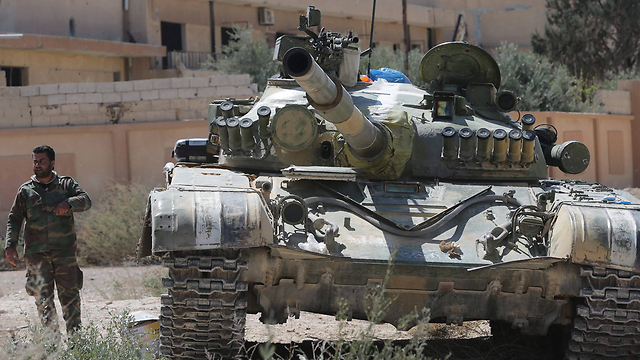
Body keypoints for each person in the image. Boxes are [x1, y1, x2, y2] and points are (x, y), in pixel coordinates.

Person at [4, 145, 91, 335]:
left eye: (42, 161)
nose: (37, 165)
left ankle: (77, 345)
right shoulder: (26, 191)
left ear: (52, 162)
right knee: (43, 300)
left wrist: (69, 203)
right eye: (35, 161)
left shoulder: (66, 185)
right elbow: (15, 218)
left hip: (64, 253)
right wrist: (10, 245)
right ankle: (52, 347)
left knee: (70, 299)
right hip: (36, 256)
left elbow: (86, 200)